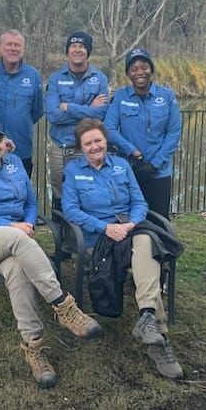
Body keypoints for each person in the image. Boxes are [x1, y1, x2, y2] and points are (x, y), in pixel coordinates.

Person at [0, 119, 101, 388]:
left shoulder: (15, 164)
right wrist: (14, 226)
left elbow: (30, 201)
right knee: (17, 239)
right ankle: (63, 306)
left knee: (17, 270)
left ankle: (34, 346)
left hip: (9, 239)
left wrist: (29, 222)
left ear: (5, 143)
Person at [61, 118, 184, 379]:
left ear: (106, 141)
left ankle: (148, 318)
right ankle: (158, 336)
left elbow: (139, 201)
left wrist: (131, 223)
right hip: (99, 237)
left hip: (129, 230)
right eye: (88, 143)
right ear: (81, 147)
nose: (94, 146)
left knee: (146, 241)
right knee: (149, 247)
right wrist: (105, 228)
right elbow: (70, 209)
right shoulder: (73, 171)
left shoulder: (122, 166)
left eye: (98, 140)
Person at [104, 47, 182, 217]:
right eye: (134, 69)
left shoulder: (167, 97)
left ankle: (159, 244)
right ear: (128, 73)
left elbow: (174, 132)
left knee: (159, 218)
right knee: (131, 217)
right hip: (130, 169)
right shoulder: (120, 97)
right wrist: (132, 151)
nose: (140, 72)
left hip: (159, 171)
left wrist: (155, 164)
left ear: (151, 70)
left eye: (144, 67)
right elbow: (108, 129)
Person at [45, 31, 108, 211]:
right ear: (68, 51)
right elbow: (53, 115)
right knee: (59, 192)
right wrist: (89, 109)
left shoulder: (100, 78)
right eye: (73, 46)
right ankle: (60, 233)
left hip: (87, 148)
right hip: (60, 149)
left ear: (88, 51)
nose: (77, 50)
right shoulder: (55, 79)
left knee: (87, 192)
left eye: (82, 46)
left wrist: (69, 107)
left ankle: (84, 234)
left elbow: (101, 114)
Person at [0, 30, 44, 177]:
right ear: (0, 48)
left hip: (21, 151)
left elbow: (37, 111)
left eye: (17, 45)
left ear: (22, 49)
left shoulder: (33, 75)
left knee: (20, 195)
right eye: (9, 44)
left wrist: (20, 121)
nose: (13, 48)